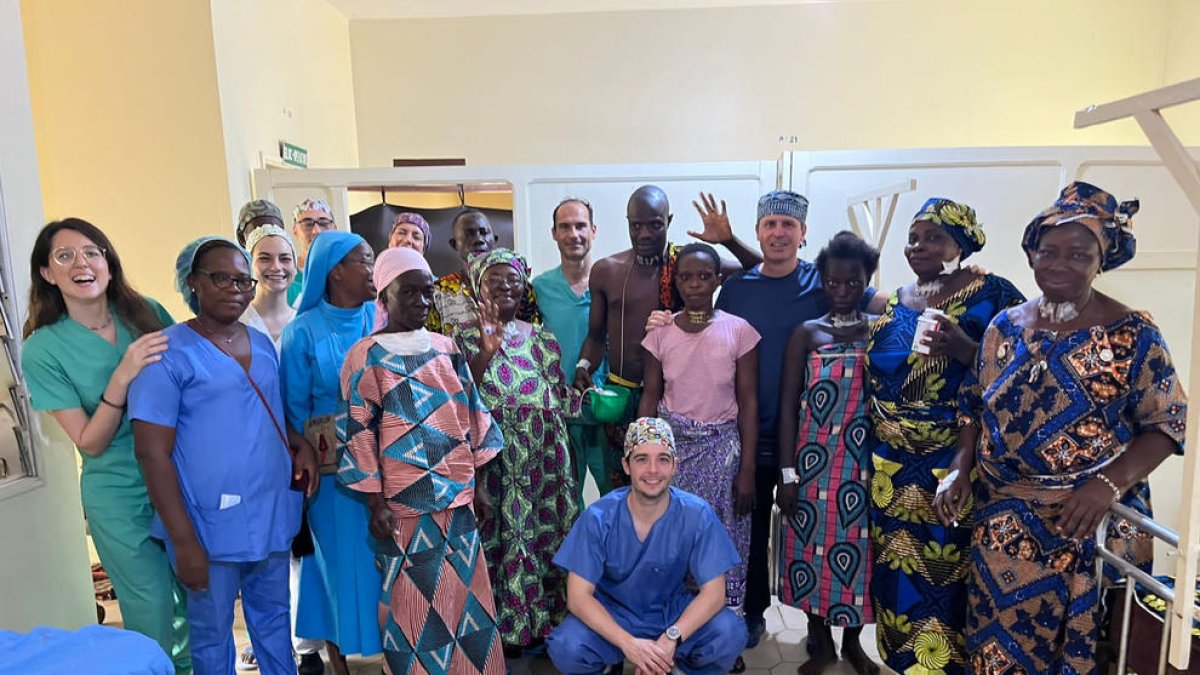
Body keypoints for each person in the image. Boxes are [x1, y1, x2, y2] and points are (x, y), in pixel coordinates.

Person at [935, 182, 1187, 674]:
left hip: (1086, 522)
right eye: (1048, 251)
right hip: (1002, 524)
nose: (1059, 264)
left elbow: (1168, 421)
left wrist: (1106, 485)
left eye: (1079, 254)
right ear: (1030, 252)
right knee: (996, 650)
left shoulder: (1132, 332)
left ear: (1103, 259)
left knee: (1086, 654)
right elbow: (973, 406)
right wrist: (959, 470)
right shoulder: (1004, 327)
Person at [129, 236, 313, 675]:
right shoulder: (166, 353)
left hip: (269, 511)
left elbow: (268, 411)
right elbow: (152, 453)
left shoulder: (261, 343)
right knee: (211, 637)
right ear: (193, 283)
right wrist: (184, 540)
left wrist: (298, 442)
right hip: (207, 524)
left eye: (242, 280)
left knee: (274, 623)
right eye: (220, 277)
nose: (235, 287)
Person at [21, 218, 190, 673]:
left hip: (178, 479)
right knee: (150, 609)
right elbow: (89, 442)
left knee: (197, 602)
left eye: (92, 252)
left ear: (109, 264)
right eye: (65, 256)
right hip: (116, 494)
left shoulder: (147, 312)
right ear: (46, 273)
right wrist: (123, 374)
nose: (82, 263)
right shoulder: (43, 349)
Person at [866, 198, 1025, 675]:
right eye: (913, 238)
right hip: (889, 464)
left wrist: (965, 349)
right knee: (895, 567)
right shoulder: (899, 298)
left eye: (934, 237)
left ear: (962, 243)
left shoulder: (995, 295)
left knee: (944, 566)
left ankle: (947, 666)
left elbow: (1022, 376)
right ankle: (900, 661)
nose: (919, 247)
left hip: (952, 457)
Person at [338, 246, 506, 675]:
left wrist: (479, 487)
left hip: (456, 499)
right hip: (403, 506)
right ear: (384, 296)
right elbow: (360, 434)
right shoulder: (366, 356)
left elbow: (470, 416)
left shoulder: (445, 348)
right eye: (408, 292)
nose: (421, 302)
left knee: (465, 599)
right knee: (411, 603)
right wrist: (376, 504)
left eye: (427, 293)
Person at [705, 189, 857, 645]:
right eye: (770, 224)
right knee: (746, 529)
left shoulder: (822, 285)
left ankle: (818, 622)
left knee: (813, 528)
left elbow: (879, 303)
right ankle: (752, 612)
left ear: (803, 233)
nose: (778, 233)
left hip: (809, 440)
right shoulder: (735, 289)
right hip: (745, 436)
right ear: (758, 231)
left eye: (788, 225)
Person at [575, 188, 759, 490]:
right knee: (623, 488)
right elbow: (595, 337)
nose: (644, 233)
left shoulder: (687, 265)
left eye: (654, 224)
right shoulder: (607, 271)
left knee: (665, 489)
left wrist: (728, 239)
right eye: (636, 225)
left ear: (668, 221)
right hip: (621, 395)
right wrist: (584, 365)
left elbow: (758, 270)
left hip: (673, 401)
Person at [452, 247, 581, 653]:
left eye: (513, 280)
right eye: (495, 280)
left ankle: (544, 623)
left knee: (546, 539)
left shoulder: (542, 337)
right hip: (496, 464)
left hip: (544, 462)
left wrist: (585, 393)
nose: (506, 287)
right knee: (501, 541)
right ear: (477, 288)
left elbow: (557, 397)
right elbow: (458, 400)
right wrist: (487, 352)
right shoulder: (462, 338)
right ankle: (505, 632)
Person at [546, 417, 748, 675]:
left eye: (663, 459)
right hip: (614, 613)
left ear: (675, 465)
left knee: (729, 633)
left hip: (670, 613)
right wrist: (629, 645)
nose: (653, 470)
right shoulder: (599, 518)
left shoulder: (697, 514)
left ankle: (678, 669)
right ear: (626, 465)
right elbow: (578, 597)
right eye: (641, 459)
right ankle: (610, 665)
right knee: (567, 646)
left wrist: (670, 639)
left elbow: (714, 594)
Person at [638, 242, 758, 671]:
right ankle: (670, 635)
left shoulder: (739, 331)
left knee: (722, 545)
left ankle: (724, 640)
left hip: (723, 452)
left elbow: (748, 402)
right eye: (686, 277)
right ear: (676, 281)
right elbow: (650, 396)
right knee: (671, 544)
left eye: (703, 276)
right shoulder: (660, 332)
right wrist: (642, 455)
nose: (694, 285)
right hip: (672, 455)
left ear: (717, 280)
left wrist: (747, 469)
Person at [776, 232, 880, 675]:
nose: (842, 292)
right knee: (811, 551)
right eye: (834, 283)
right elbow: (786, 405)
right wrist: (787, 475)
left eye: (852, 284)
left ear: (866, 281)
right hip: (813, 463)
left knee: (860, 553)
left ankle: (854, 643)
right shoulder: (808, 333)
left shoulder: (879, 331)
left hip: (863, 465)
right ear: (822, 281)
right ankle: (820, 642)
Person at [280, 231, 381, 675]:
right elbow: (290, 408)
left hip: (383, 460)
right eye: (364, 261)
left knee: (380, 560)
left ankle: (390, 653)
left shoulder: (380, 318)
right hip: (329, 468)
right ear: (336, 270)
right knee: (333, 566)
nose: (373, 269)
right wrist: (307, 453)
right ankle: (337, 660)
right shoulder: (302, 331)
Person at [531, 197, 612, 504]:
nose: (573, 234)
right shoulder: (539, 288)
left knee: (616, 495)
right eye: (564, 227)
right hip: (559, 412)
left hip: (606, 412)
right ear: (554, 233)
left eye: (580, 225)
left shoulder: (611, 282)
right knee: (564, 500)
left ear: (593, 230)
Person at [427, 208, 539, 334]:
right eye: (469, 234)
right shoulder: (438, 292)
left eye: (484, 232)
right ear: (454, 244)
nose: (479, 239)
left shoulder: (520, 289)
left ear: (494, 240)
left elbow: (532, 337)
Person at [240, 225, 297, 352]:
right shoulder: (237, 323)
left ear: (294, 267)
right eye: (264, 259)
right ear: (248, 266)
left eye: (285, 259)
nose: (276, 267)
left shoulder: (304, 323)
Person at [288, 198, 339, 305]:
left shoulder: (348, 272)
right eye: (307, 224)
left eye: (324, 223)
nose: (316, 231)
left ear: (334, 228)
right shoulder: (285, 275)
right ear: (295, 230)